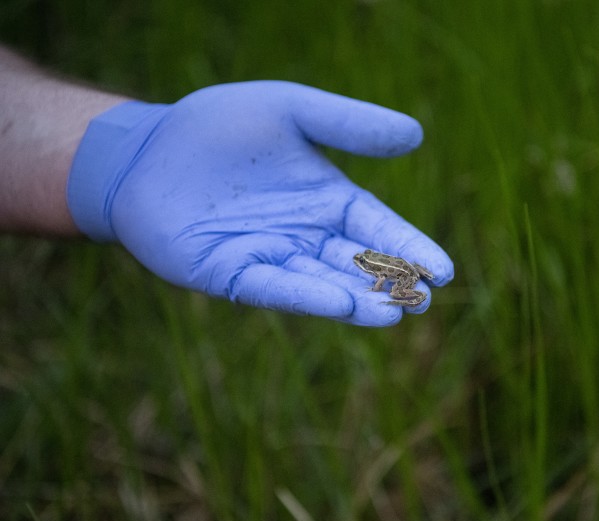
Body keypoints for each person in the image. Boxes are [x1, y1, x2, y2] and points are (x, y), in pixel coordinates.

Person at [0, 46, 453, 327]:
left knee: (395, 287)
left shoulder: (380, 269)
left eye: (365, 261)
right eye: (365, 261)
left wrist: (107, 151)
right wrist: (117, 152)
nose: (362, 260)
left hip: (399, 274)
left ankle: (418, 280)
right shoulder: (371, 263)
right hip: (395, 271)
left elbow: (382, 273)